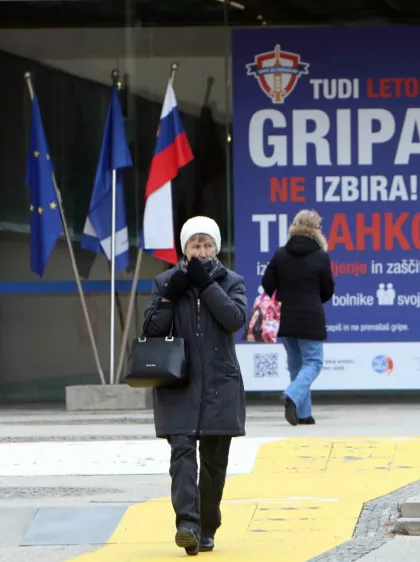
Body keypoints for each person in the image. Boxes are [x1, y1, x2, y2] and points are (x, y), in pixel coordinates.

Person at [143, 216, 248, 556]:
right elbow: (151, 331)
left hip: (220, 383)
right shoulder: (164, 282)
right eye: (194, 244)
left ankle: (208, 525)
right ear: (184, 248)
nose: (201, 251)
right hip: (179, 384)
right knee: (183, 454)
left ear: (216, 248)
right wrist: (170, 297)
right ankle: (186, 524)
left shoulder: (232, 281)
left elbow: (234, 319)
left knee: (215, 462)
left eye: (207, 244)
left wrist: (206, 285)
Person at [262, 210, 335, 426]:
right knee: (313, 362)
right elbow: (328, 290)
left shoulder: (281, 254)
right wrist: (314, 298)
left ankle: (304, 414)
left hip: (287, 316)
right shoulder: (321, 257)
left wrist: (284, 294)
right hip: (311, 316)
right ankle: (292, 395)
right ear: (316, 229)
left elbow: (267, 283)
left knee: (296, 366)